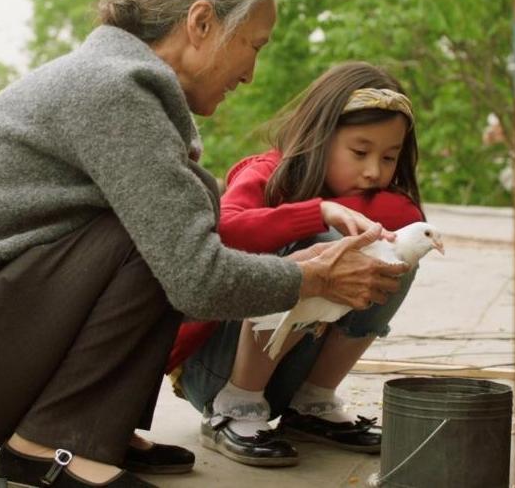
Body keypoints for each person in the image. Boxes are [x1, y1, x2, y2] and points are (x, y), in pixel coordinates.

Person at [0, 0, 408, 488]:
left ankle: (95, 428)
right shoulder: (112, 91)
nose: (250, 73)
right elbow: (197, 280)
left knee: (164, 226)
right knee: (161, 240)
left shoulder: (115, 82)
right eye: (254, 44)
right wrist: (314, 276)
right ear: (201, 23)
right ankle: (51, 447)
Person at [167, 62, 425, 467]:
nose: (374, 171)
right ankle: (236, 409)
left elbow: (407, 213)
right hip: (215, 370)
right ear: (320, 138)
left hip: (289, 371)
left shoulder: (371, 194)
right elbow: (224, 229)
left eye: (389, 157)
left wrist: (338, 211)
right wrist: (316, 212)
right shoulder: (268, 174)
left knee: (395, 256)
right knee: (324, 244)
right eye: (360, 152)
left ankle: (312, 405)